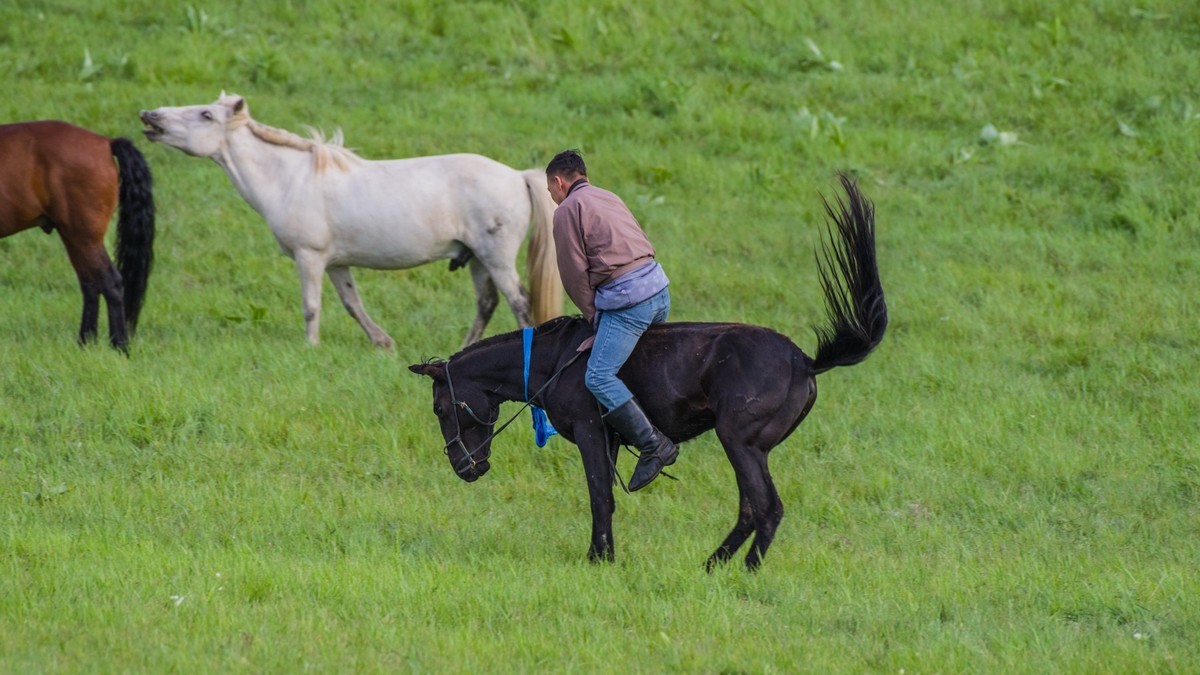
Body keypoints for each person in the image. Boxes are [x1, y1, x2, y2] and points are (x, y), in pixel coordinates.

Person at [545, 149, 676, 491]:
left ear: (559, 182)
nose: (552, 198)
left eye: (550, 191)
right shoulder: (607, 195)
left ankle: (653, 445)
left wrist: (594, 318)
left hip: (631, 304)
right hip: (659, 291)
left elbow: (573, 274)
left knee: (599, 375)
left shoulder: (567, 210)